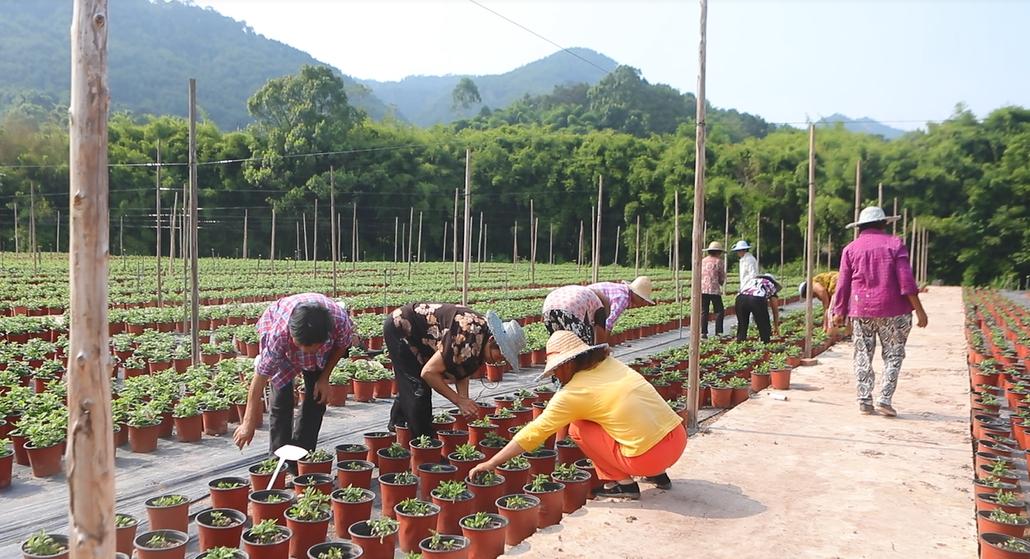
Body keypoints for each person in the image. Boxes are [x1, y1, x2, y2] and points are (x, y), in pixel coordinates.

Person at [469, 330, 686, 500]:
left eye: (556, 370)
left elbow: (535, 432)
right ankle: (658, 475)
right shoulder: (610, 364)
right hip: (677, 439)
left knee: (578, 428)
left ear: (568, 363)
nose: (555, 375)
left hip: (646, 459)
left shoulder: (574, 393)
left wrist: (492, 462)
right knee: (623, 415)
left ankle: (624, 485)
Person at [233, 293, 359, 461]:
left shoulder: (340, 322)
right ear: (292, 336)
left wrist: (324, 377)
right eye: (302, 347)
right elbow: (261, 376)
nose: (306, 352)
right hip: (282, 340)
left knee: (316, 400)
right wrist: (248, 422)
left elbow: (342, 346)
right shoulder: (279, 335)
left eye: (314, 348)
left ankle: (300, 459)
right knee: (280, 401)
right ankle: (278, 460)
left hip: (320, 352)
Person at [832, 206, 929, 417]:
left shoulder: (851, 249)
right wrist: (920, 310)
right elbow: (906, 282)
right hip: (894, 310)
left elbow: (843, 283)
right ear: (884, 224)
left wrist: (839, 310)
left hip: (861, 309)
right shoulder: (894, 244)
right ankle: (884, 398)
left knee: (862, 354)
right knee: (894, 354)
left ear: (860, 227)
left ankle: (865, 399)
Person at [384, 303, 525, 438]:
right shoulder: (468, 336)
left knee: (413, 384)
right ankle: (422, 442)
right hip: (401, 327)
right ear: (493, 340)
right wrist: (458, 400)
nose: (499, 361)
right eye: (500, 355)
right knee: (418, 388)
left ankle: (397, 424)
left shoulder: (480, 338)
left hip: (421, 336)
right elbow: (428, 373)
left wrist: (465, 401)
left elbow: (461, 368)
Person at [542, 285, 609, 344]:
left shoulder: (586, 295)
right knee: (581, 347)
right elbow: (600, 340)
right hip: (570, 307)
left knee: (558, 344)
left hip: (548, 306)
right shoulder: (599, 306)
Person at [588, 276, 657, 334]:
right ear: (636, 294)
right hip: (586, 300)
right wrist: (604, 345)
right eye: (642, 299)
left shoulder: (622, 289)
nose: (642, 303)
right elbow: (607, 324)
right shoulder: (623, 298)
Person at [735, 273, 782, 343]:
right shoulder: (770, 284)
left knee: (742, 325)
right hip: (757, 299)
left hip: (740, 299)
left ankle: (740, 342)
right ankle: (766, 343)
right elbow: (774, 309)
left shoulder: (752, 281)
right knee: (764, 324)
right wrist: (776, 326)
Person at [700, 241, 727, 338]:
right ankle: (718, 332)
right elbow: (721, 278)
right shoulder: (719, 261)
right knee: (719, 310)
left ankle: (703, 332)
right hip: (714, 289)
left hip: (702, 289)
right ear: (718, 252)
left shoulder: (703, 261)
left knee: (704, 310)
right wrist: (721, 282)